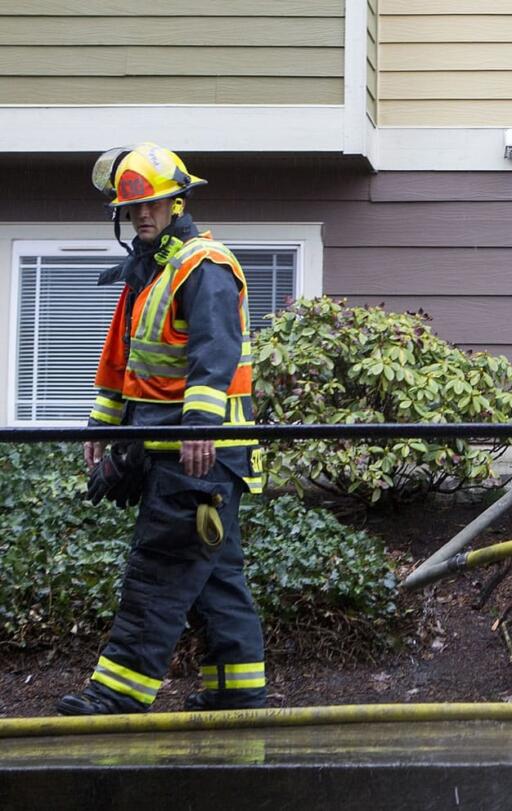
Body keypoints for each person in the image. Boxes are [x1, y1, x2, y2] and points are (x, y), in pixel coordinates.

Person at [58, 142, 267, 715]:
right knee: (217, 576)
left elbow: (214, 354)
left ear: (178, 202)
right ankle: (237, 687)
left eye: (153, 204)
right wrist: (101, 429)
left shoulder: (204, 266)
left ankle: (116, 696)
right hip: (175, 453)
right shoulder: (147, 274)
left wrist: (201, 428)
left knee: (160, 570)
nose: (143, 216)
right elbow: (122, 363)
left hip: (197, 455)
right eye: (133, 209)